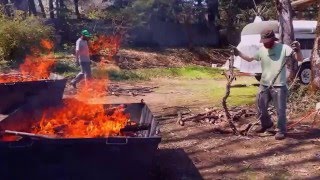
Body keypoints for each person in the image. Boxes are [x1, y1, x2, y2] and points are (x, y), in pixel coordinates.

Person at [234, 29, 303, 140]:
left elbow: (299, 59)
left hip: (279, 85)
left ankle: (281, 130)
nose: (265, 43)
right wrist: (239, 53)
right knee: (260, 106)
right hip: (264, 84)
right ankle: (266, 124)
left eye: (266, 41)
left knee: (280, 109)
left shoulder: (284, 48)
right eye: (263, 42)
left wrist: (298, 50)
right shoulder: (262, 50)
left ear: (272, 39)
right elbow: (250, 59)